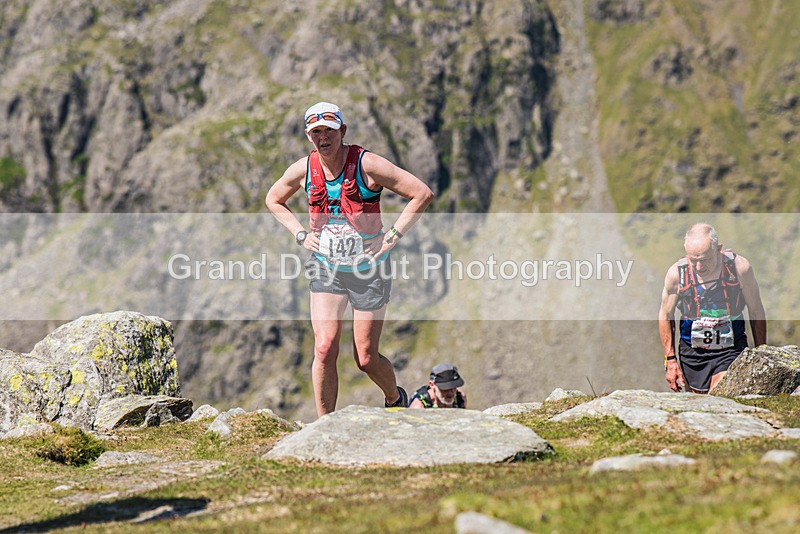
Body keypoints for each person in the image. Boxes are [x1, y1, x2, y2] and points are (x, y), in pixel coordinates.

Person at [265, 102, 434, 417]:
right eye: (316, 132)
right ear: (308, 136)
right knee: (325, 346)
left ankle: (395, 398)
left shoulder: (367, 164)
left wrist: (393, 236)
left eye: (329, 130)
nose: (323, 137)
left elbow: (421, 193)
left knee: (366, 358)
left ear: (342, 131)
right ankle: (324, 425)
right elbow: (273, 199)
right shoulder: (303, 169)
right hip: (326, 267)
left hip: (369, 268)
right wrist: (300, 234)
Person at [658, 223, 767, 394]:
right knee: (698, 405)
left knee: (720, 394)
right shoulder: (676, 275)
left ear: (718, 249)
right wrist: (670, 360)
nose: (699, 267)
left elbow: (756, 310)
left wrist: (762, 353)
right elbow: (665, 315)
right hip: (692, 354)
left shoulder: (739, 268)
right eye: (693, 261)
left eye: (705, 260)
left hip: (731, 350)